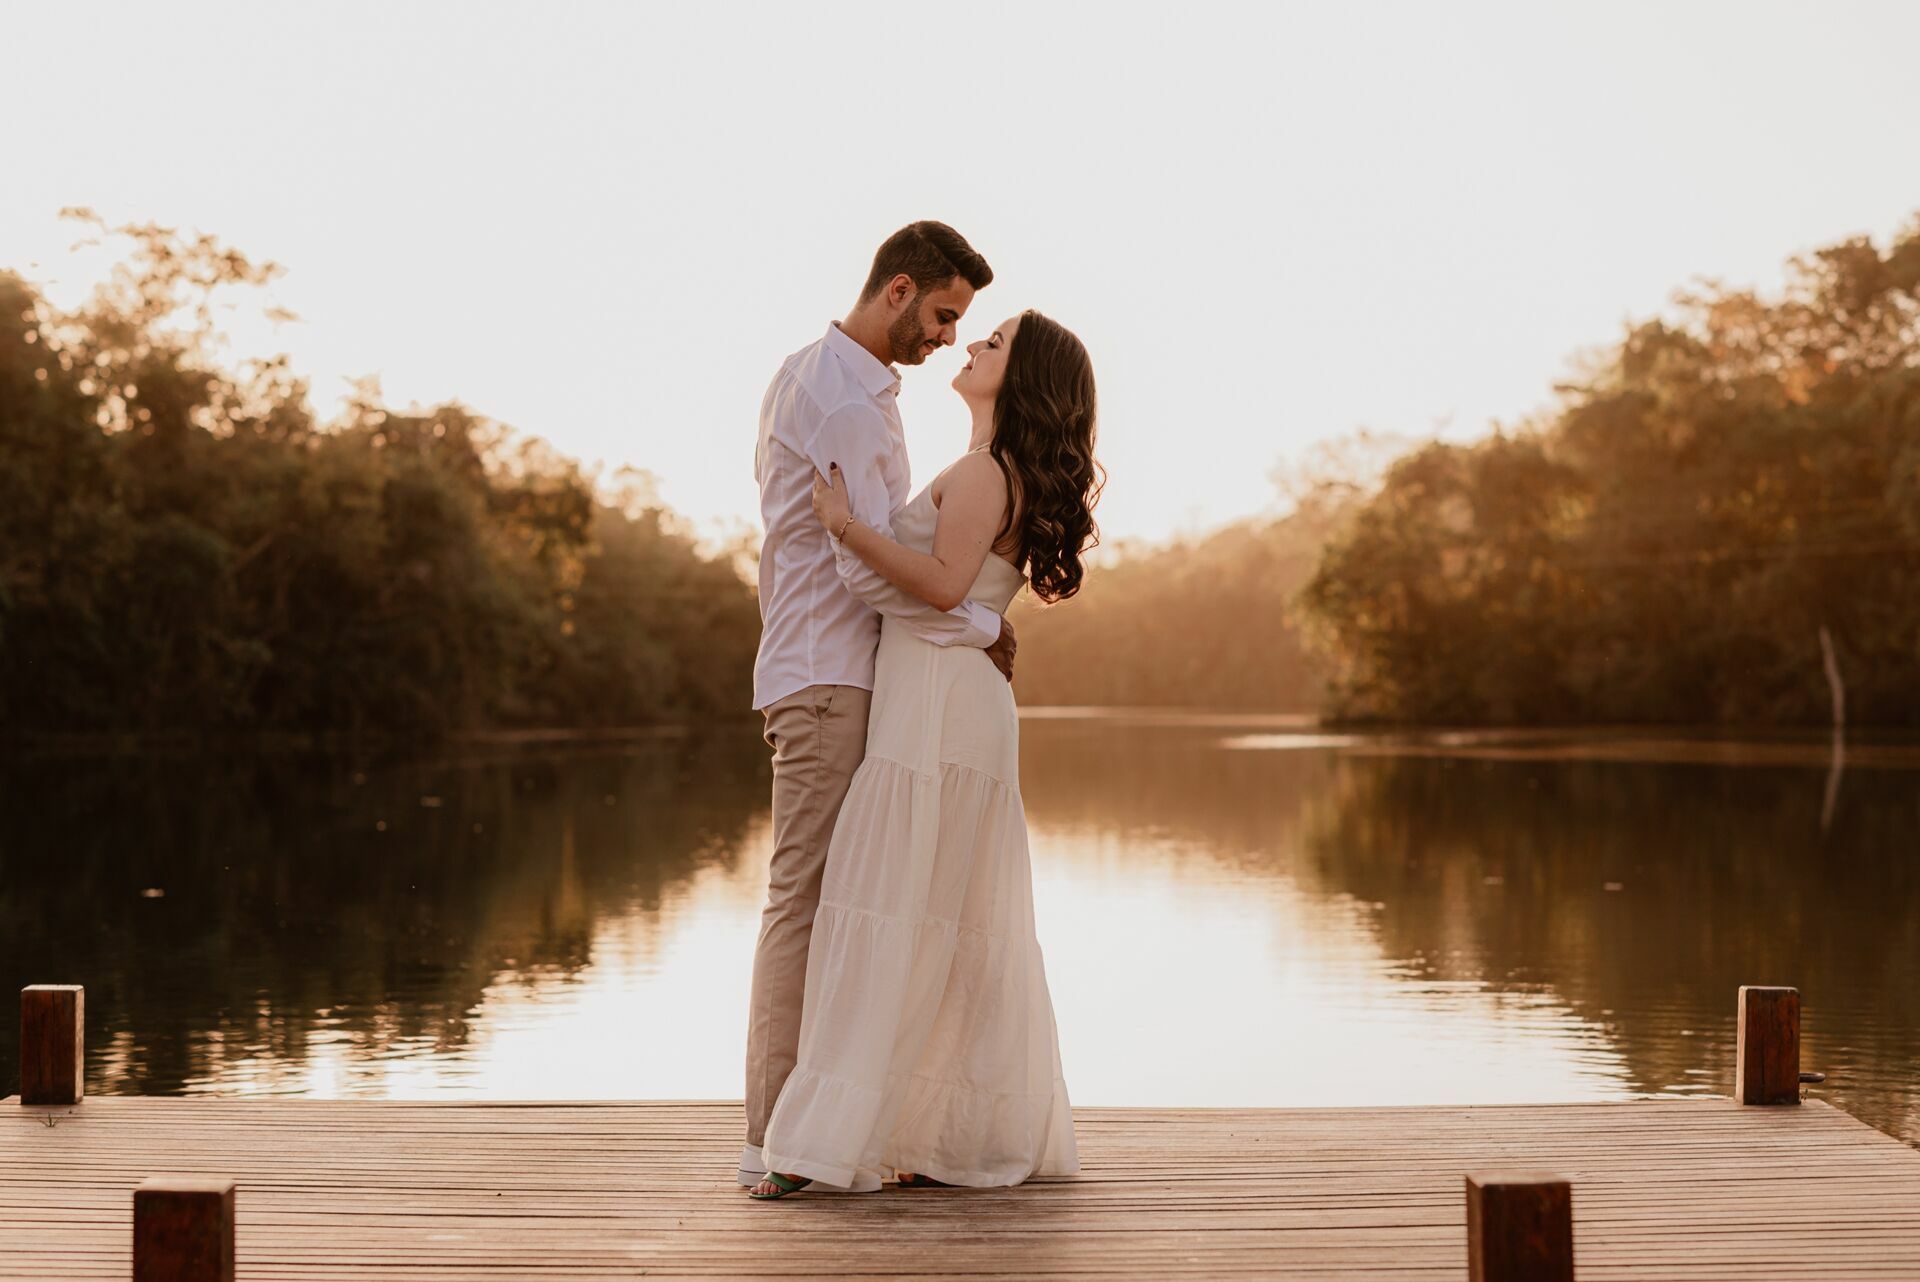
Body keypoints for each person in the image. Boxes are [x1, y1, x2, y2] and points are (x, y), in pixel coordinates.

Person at [751, 307, 1101, 1198]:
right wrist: (983, 618)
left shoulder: (985, 472)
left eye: (996, 343)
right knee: (926, 916)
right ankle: (917, 1129)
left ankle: (831, 1140)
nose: (973, 344)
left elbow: (943, 588)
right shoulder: (989, 470)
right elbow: (960, 602)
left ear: (1020, 380)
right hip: (946, 696)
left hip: (941, 710)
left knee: (896, 908)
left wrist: (843, 524)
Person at [741, 221, 1017, 1192]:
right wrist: (979, 621)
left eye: (961, 324)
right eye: (943, 314)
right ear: (899, 291)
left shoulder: (842, 383)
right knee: (807, 904)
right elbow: (865, 572)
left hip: (842, 674)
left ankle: (831, 1124)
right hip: (829, 679)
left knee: (849, 903)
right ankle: (775, 1144)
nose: (947, 335)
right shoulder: (839, 398)